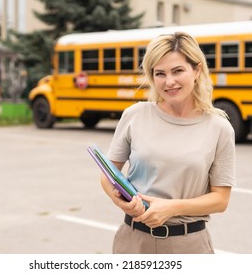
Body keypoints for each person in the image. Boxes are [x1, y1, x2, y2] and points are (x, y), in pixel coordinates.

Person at [100, 32, 236, 254]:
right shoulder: (135, 115)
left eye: (178, 71)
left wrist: (172, 208)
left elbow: (220, 200)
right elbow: (108, 175)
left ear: (197, 70)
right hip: (133, 241)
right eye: (160, 73)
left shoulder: (219, 128)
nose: (169, 81)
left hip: (188, 244)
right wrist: (121, 201)